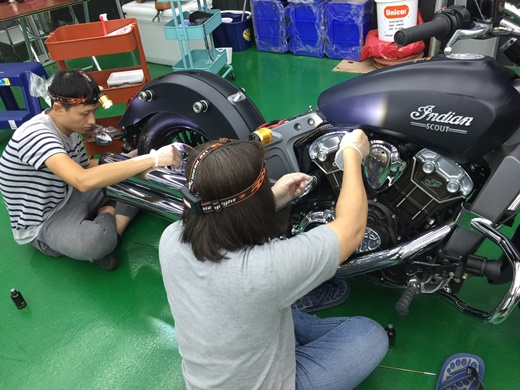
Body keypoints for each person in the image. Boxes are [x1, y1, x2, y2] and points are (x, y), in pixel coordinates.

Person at [159, 131, 388, 389]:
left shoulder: (170, 238)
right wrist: (352, 152)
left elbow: (221, 216)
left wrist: (273, 198)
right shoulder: (265, 270)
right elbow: (353, 228)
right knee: (370, 334)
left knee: (270, 302)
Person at [0, 69, 181, 271]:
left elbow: (84, 166)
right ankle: (109, 212)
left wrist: (133, 159)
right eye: (85, 114)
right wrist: (152, 158)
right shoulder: (36, 135)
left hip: (71, 192)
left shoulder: (69, 128)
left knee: (137, 179)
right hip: (47, 218)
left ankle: (112, 227)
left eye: (94, 111)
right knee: (94, 242)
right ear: (59, 108)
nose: (92, 121)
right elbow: (82, 179)